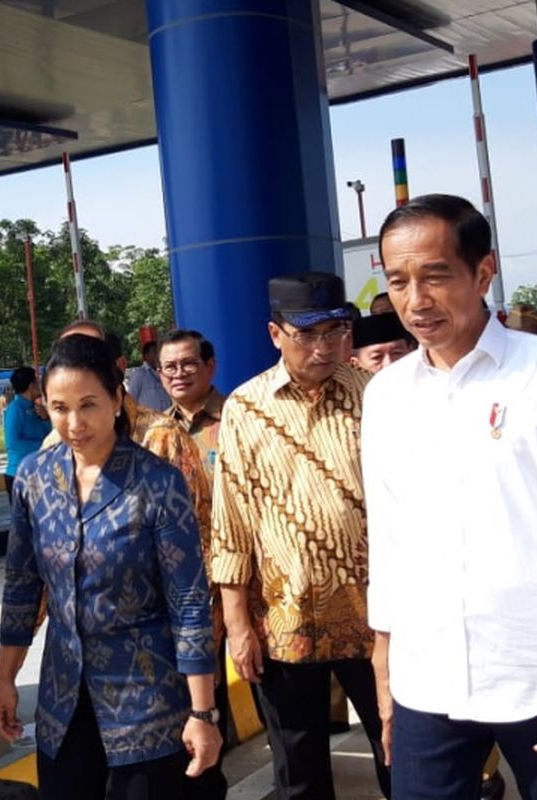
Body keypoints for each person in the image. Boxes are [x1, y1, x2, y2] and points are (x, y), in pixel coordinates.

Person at [363, 193, 537, 800]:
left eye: (435, 276)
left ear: (483, 271)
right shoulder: (386, 395)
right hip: (427, 678)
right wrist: (385, 668)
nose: (416, 301)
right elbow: (388, 539)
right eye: (399, 281)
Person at [0, 333, 220, 799]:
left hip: (146, 704)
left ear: (117, 399)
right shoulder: (35, 478)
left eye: (88, 404)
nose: (74, 423)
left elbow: (190, 604)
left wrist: (202, 712)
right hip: (63, 700)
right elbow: (20, 585)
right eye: (59, 407)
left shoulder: (157, 483)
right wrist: (4, 678)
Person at [211, 271, 390, 800]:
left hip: (376, 617)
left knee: (400, 750)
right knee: (299, 770)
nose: (325, 347)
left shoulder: (375, 396)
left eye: (336, 332)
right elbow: (232, 524)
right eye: (308, 334)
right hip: (284, 622)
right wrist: (240, 625)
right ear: (275, 334)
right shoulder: (245, 410)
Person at [158, 329, 224, 476]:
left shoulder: (237, 416)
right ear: (160, 375)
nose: (179, 374)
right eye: (170, 367)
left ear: (210, 367)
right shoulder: (157, 429)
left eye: (188, 364)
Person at [3, 366, 51, 500]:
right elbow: (12, 443)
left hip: (38, 471)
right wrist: (43, 445)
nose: (40, 384)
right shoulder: (15, 409)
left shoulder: (37, 409)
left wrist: (46, 418)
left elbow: (49, 435)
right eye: (37, 381)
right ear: (31, 385)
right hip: (19, 474)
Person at [127, 340, 171, 411]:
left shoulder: (164, 373)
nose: (158, 355)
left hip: (167, 418)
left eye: (159, 352)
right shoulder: (139, 375)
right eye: (154, 352)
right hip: (148, 420)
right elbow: (131, 400)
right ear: (146, 356)